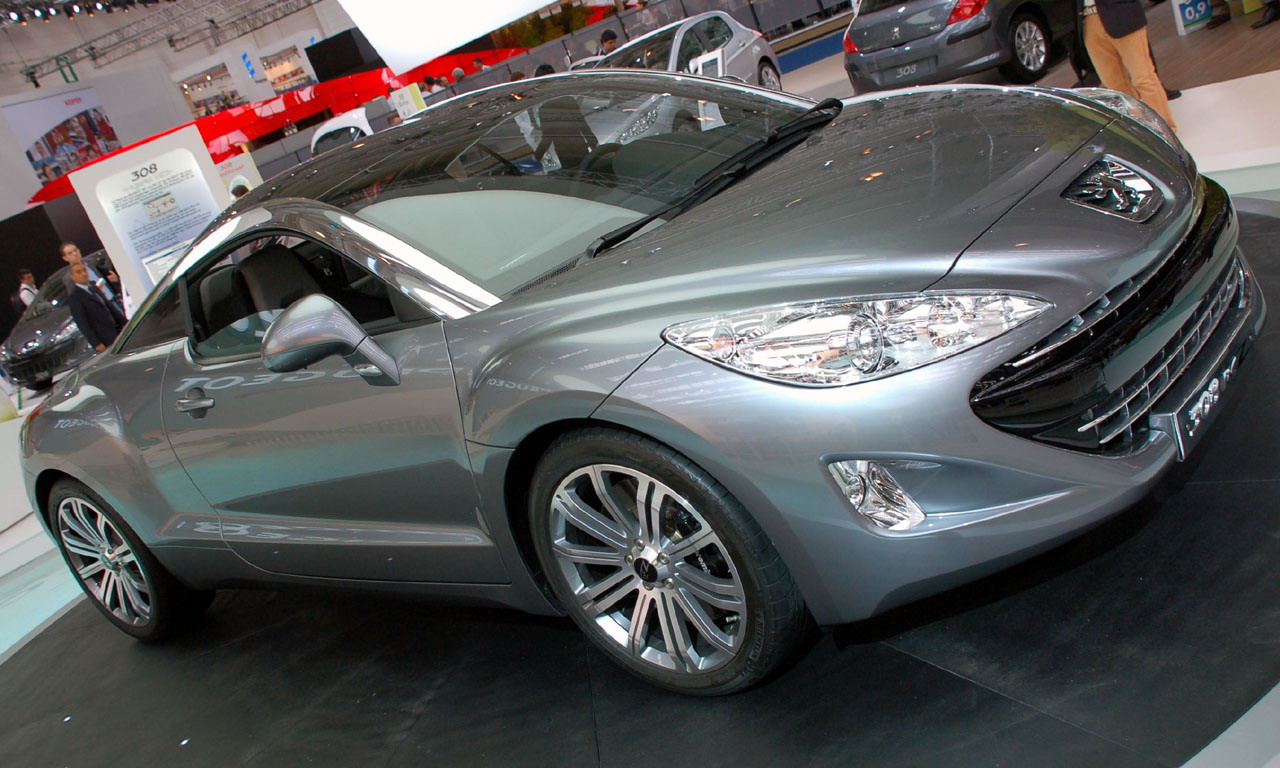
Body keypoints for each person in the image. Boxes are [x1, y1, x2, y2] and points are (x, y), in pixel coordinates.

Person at [1079, 0, 1177, 130]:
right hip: (1088, 19)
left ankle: (1164, 130)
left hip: (1121, 12)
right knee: (1114, 86)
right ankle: (1139, 128)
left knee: (1143, 78)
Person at [66, 260, 125, 352]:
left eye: (84, 270)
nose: (83, 274)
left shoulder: (94, 288)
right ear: (72, 277)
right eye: (79, 272)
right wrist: (96, 343)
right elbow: (83, 323)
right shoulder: (75, 298)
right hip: (105, 338)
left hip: (118, 330)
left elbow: (110, 308)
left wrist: (125, 323)